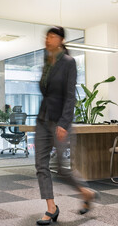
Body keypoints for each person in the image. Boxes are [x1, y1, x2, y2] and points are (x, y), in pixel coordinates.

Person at [35, 26, 98, 225]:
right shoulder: (47, 62)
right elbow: (46, 92)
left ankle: (86, 193)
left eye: (52, 36)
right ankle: (51, 208)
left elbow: (70, 97)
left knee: (61, 168)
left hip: (59, 121)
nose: (47, 39)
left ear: (61, 40)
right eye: (46, 36)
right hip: (42, 119)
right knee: (40, 165)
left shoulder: (69, 63)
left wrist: (64, 124)